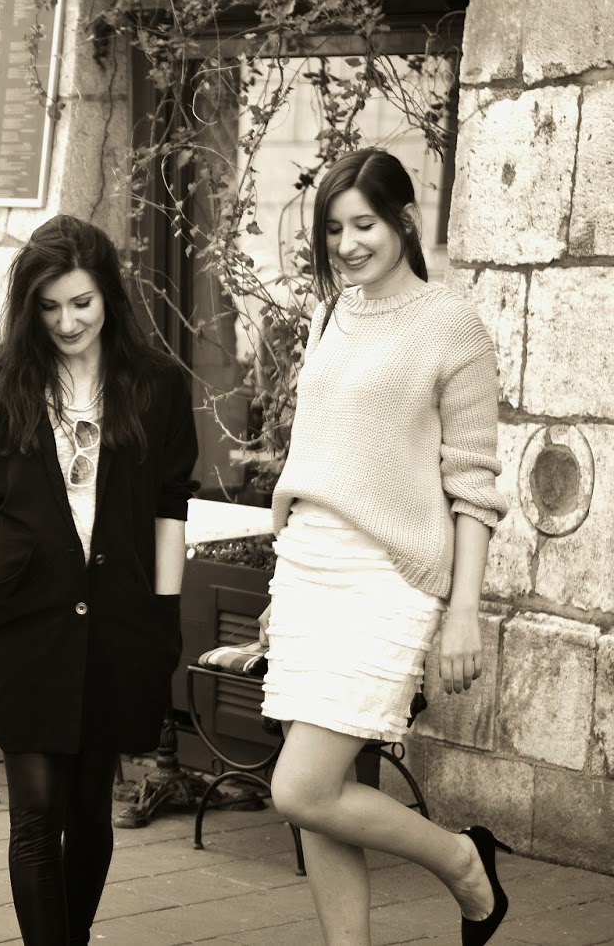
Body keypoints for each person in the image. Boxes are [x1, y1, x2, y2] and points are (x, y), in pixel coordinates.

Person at [0, 214, 198, 946]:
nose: (67, 322)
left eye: (82, 303)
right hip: (21, 621)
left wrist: (165, 617)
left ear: (109, 297)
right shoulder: (1, 382)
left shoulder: (155, 385)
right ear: (28, 306)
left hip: (119, 624)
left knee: (89, 810)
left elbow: (170, 507)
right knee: (36, 811)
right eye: (49, 306)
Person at [260, 148, 512, 946]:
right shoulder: (331, 315)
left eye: (363, 224)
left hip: (387, 577)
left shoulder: (452, 324)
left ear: (404, 219)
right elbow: (318, 455)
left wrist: (463, 611)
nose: (347, 244)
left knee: (301, 788)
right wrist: (279, 586)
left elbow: (473, 484)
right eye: (334, 229)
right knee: (325, 796)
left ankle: (463, 860)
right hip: (308, 567)